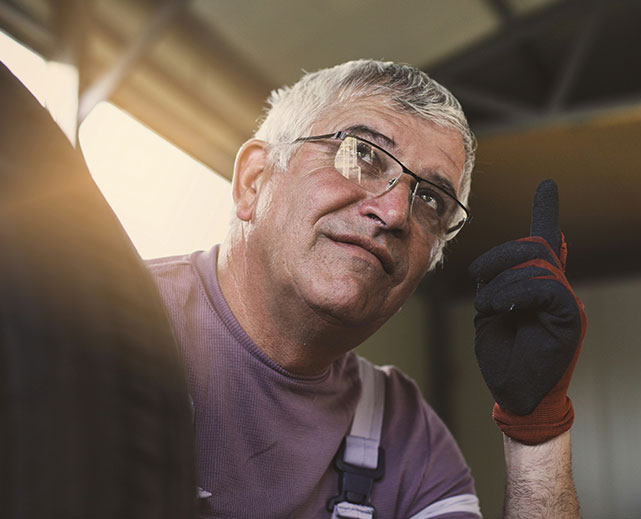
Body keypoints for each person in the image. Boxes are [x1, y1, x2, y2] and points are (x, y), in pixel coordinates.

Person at [148, 59, 585, 518]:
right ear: (254, 181)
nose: (395, 212)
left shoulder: (404, 435)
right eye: (361, 155)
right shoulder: (97, 322)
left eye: (431, 199)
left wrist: (537, 429)